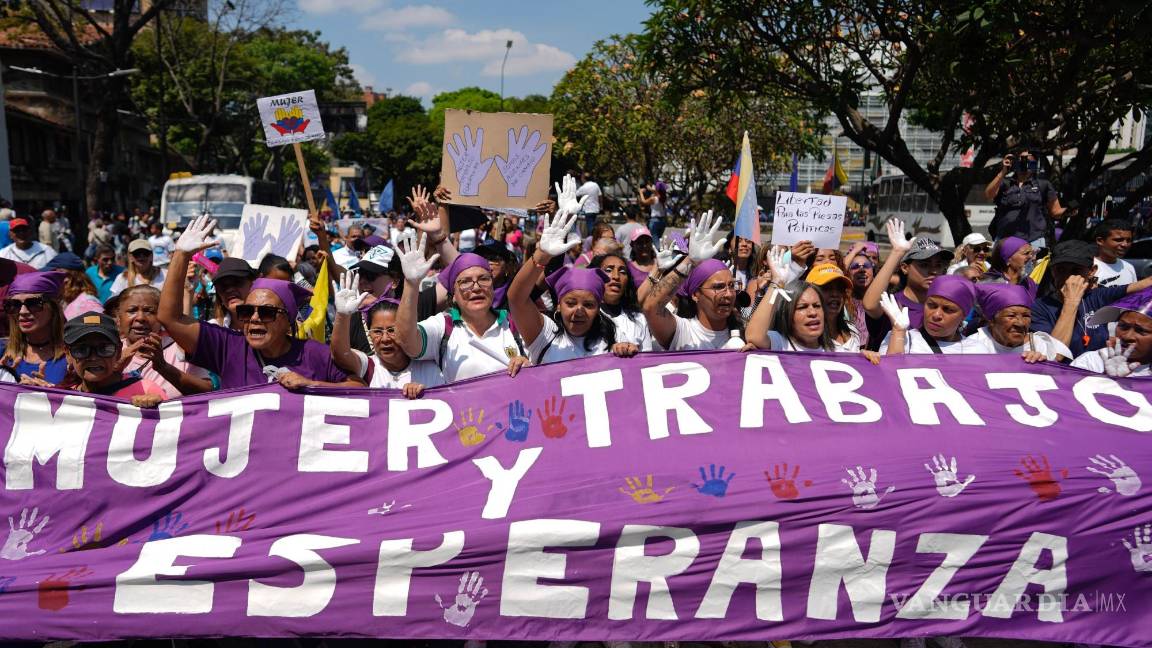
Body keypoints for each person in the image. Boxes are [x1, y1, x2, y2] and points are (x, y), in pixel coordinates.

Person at [159, 215, 360, 390]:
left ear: (287, 319)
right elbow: (169, 318)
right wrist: (180, 255)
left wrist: (312, 384)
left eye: (266, 313)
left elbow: (358, 388)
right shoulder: (228, 347)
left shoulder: (314, 353)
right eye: (247, 311)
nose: (254, 319)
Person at [394, 231, 529, 383]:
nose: (476, 288)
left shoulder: (515, 324)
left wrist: (529, 369)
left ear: (492, 287)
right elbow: (406, 342)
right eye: (465, 282)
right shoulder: (444, 327)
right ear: (454, 295)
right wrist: (411, 284)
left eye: (483, 279)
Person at [508, 211, 638, 365]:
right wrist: (542, 255)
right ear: (558, 305)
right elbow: (516, 298)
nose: (579, 311)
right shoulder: (545, 334)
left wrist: (625, 352)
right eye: (570, 303)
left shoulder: (614, 336)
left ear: (598, 308)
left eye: (589, 305)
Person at [1030, 239, 1152, 358]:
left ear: (1092, 271)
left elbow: (1145, 284)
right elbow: (1055, 355)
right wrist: (1071, 302)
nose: (1067, 278)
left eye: (1076, 270)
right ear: (1052, 271)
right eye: (1060, 270)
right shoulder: (1039, 308)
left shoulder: (1097, 296)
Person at [331, 272, 443, 396]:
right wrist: (342, 315)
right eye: (378, 331)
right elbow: (340, 353)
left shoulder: (430, 366)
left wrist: (423, 393)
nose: (385, 339)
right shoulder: (368, 366)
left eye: (392, 330)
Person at [642, 211, 734, 350]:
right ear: (696, 295)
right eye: (718, 287)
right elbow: (651, 307)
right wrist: (690, 260)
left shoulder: (745, 332)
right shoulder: (682, 331)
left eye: (732, 286)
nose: (728, 294)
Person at [863, 219, 952, 349]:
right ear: (905, 268)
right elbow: (870, 305)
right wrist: (897, 252)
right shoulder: (892, 304)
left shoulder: (944, 307)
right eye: (924, 265)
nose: (933, 271)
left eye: (938, 265)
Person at [117, 285, 213, 398]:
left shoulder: (181, 347)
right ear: (119, 319)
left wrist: (163, 367)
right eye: (132, 311)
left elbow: (208, 392)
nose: (140, 318)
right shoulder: (109, 351)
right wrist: (116, 368)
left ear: (161, 317)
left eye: (149, 311)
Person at [53, 311, 166, 407]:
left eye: (105, 348)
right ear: (68, 354)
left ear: (118, 351)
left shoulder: (146, 391)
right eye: (82, 350)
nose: (93, 357)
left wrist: (156, 406)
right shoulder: (62, 399)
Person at [961, 283, 1071, 361]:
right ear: (991, 320)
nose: (1020, 323)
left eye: (1026, 316)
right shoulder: (972, 346)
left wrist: (1042, 367)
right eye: (1011, 316)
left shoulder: (1040, 345)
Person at [878, 274, 976, 354]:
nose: (936, 315)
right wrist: (898, 332)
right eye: (931, 305)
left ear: (964, 315)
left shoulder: (977, 350)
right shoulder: (904, 339)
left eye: (947, 309)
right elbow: (890, 374)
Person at [985, 150, 1066, 246]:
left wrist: (1069, 210)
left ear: (1035, 165)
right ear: (1014, 164)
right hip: (1006, 241)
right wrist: (1003, 171)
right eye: (1021, 161)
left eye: (1029, 161)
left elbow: (1055, 211)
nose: (1025, 164)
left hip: (1034, 240)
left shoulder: (1043, 185)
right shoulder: (1004, 183)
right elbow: (988, 195)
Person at [0, 271, 69, 383]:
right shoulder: (2, 351)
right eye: (15, 305)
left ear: (53, 308)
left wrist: (48, 392)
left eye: (33, 303)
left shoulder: (74, 356)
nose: (23, 312)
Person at [1072, 287, 1152, 377]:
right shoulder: (1092, 362)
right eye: (1123, 326)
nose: (1127, 336)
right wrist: (1108, 379)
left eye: (1141, 330)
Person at [591, 253, 653, 351]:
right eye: (608, 270)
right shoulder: (586, 318)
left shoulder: (639, 318)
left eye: (622, 271)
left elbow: (647, 360)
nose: (616, 276)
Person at [806, 263, 860, 352]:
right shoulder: (806, 338)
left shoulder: (852, 329)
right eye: (827, 288)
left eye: (839, 288)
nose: (835, 294)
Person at [45, 252, 103, 319]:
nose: (51, 280)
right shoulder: (64, 301)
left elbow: (98, 328)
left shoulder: (88, 304)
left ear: (68, 278)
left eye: (55, 276)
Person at [209, 257, 257, 330]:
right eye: (222, 286)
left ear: (253, 283)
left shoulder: (272, 324)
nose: (229, 290)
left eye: (237, 282)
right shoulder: (213, 329)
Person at [1092, 219, 1136, 288]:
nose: (1125, 244)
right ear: (1100, 241)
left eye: (1128, 240)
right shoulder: (1086, 269)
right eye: (1118, 240)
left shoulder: (1129, 268)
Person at [575, 171, 603, 237]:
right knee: (593, 224)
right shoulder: (596, 185)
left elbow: (576, 194)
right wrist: (601, 206)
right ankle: (593, 237)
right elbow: (600, 196)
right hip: (596, 209)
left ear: (584, 178)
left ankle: (592, 238)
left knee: (590, 225)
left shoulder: (584, 187)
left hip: (588, 209)